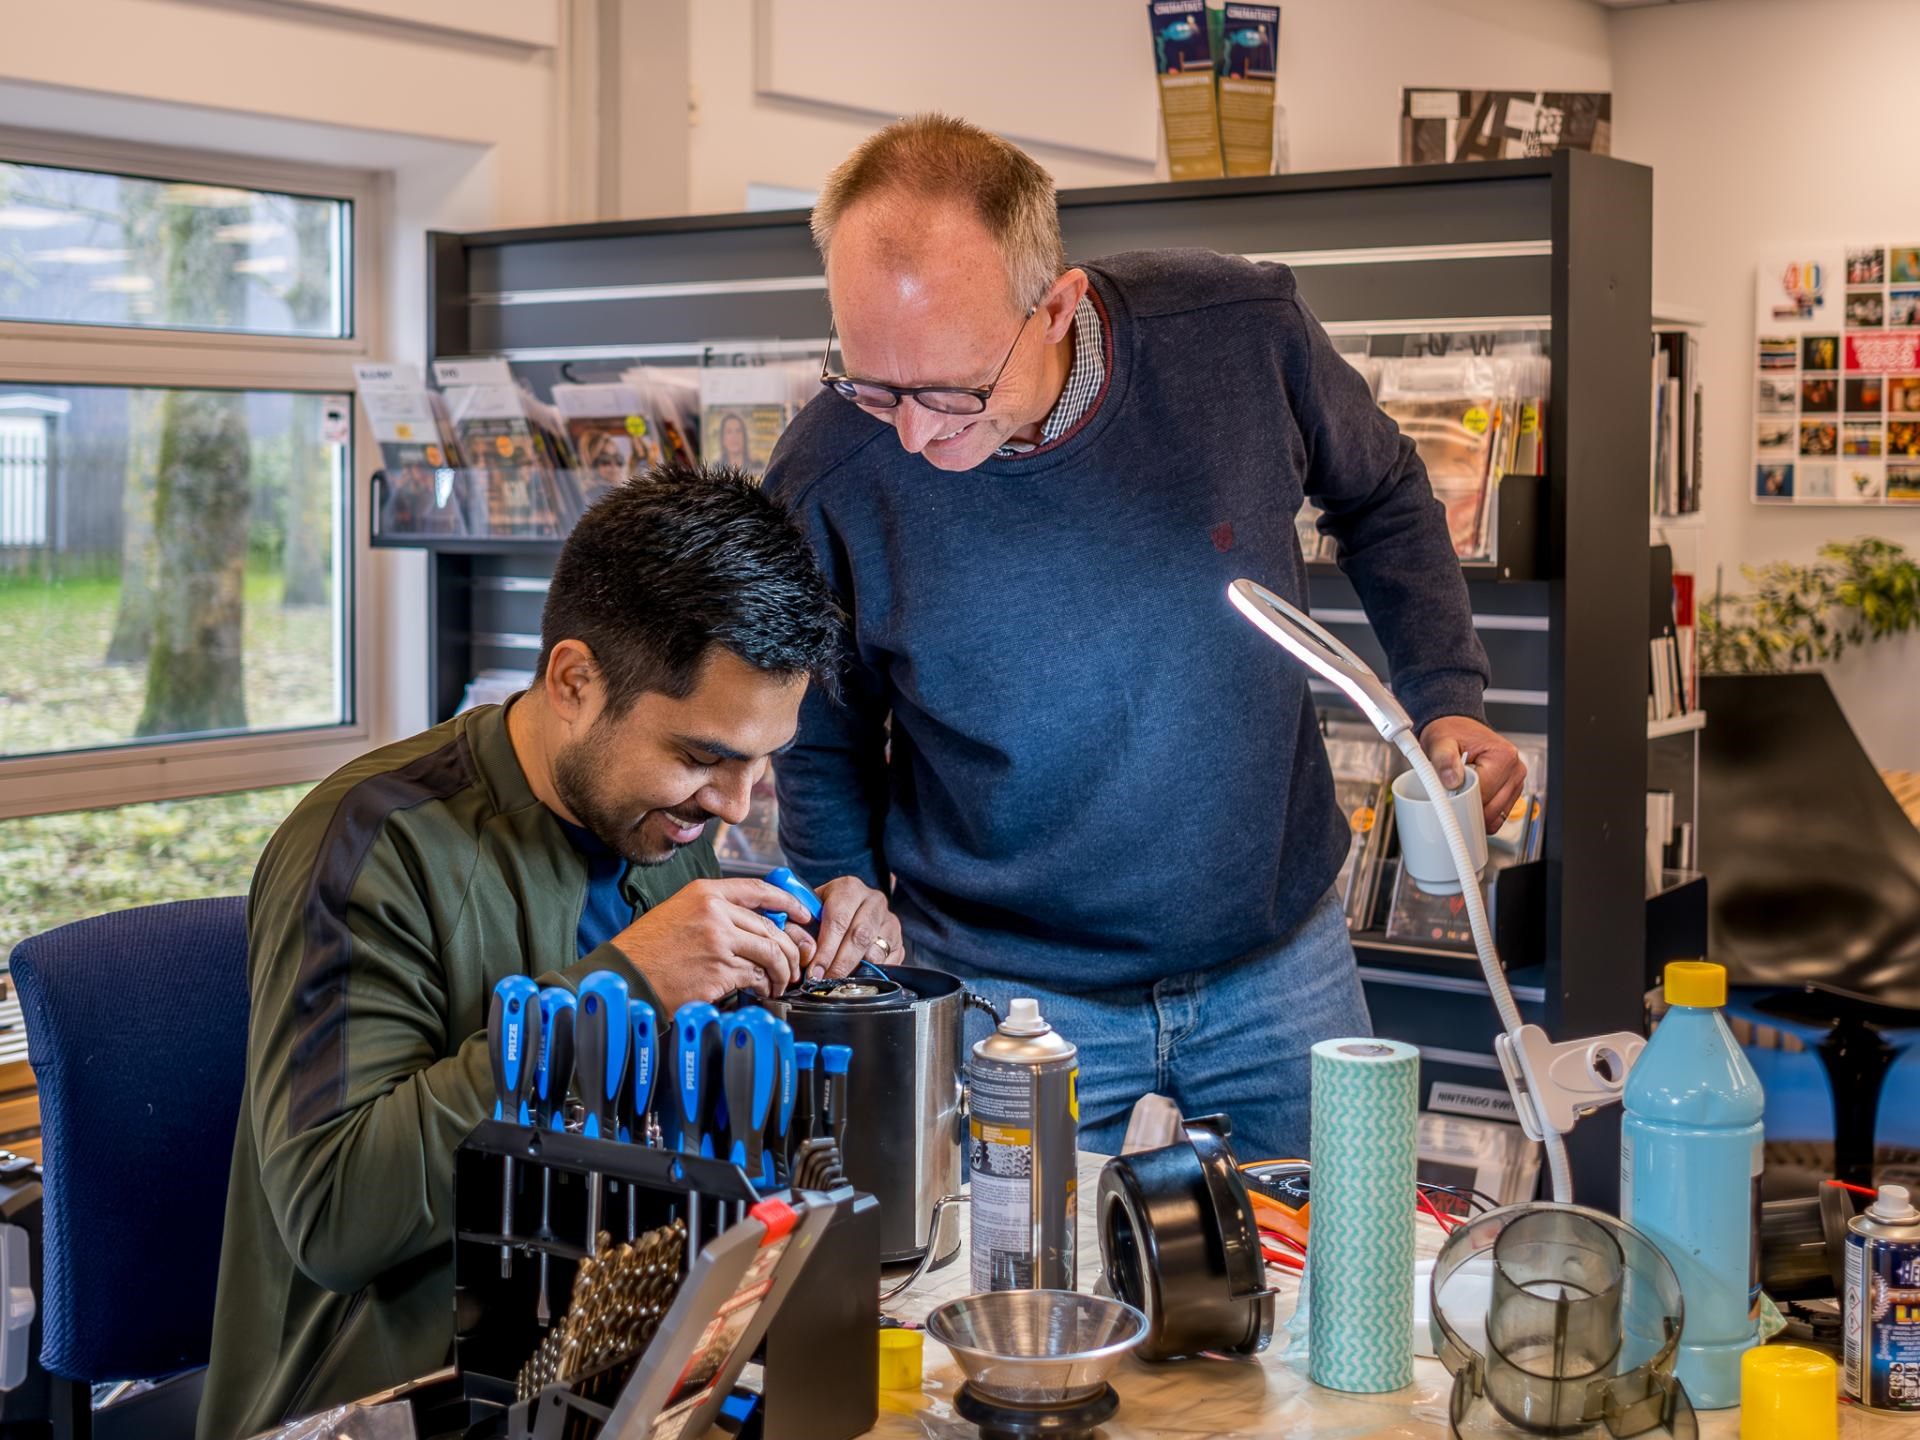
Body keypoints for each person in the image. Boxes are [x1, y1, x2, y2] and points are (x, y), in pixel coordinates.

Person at [762, 114, 1526, 1161]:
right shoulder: (829, 469)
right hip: (1004, 988)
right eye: (874, 384)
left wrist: (1446, 696)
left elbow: (1387, 495)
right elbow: (815, 723)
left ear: (1059, 306)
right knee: (1008, 1300)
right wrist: (842, 885)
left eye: (952, 390)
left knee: (1351, 1269)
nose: (912, 434)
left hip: (1276, 958)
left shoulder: (1238, 332)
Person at [199, 462, 892, 1438]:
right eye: (703, 758)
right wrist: (626, 986)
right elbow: (334, 1215)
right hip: (390, 1402)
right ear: (574, 680)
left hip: (606, 1366)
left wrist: (818, 950)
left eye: (760, 761)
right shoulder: (371, 847)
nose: (737, 807)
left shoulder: (663, 837)